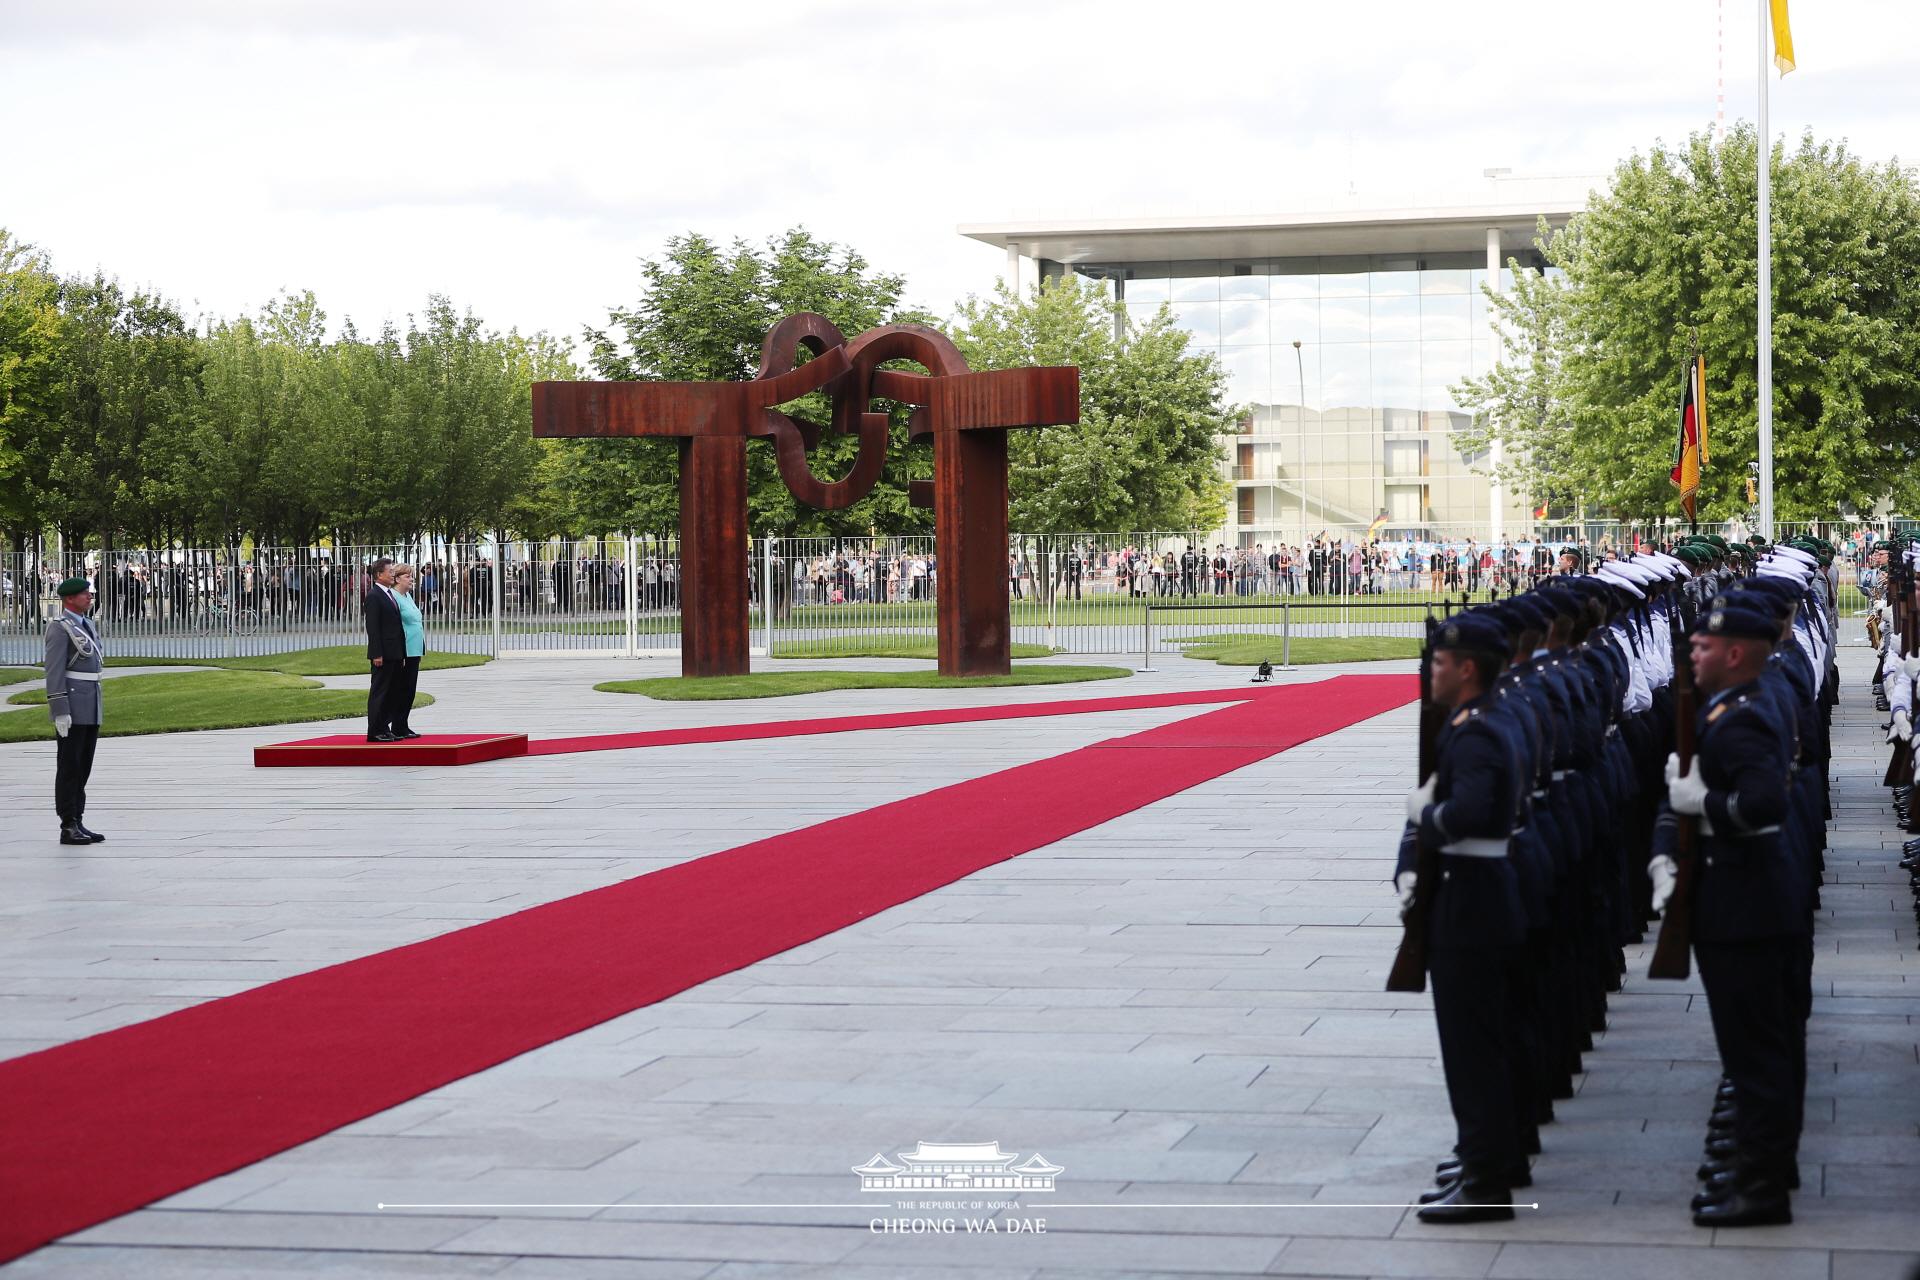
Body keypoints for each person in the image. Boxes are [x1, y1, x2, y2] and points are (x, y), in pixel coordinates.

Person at [1651, 601, 1804, 1227]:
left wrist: (1703, 801)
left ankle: (1762, 1188)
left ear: (1736, 653)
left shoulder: (1746, 716)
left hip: (1746, 901)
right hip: (1736, 894)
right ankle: (1757, 1165)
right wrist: (1668, 846)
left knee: (1755, 1052)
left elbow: (1763, 803)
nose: (1694, 652)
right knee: (1751, 1048)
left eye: (1706, 646)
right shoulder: (1730, 706)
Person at [1397, 610, 1529, 1222]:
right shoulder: (1478, 719)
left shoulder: (1476, 730)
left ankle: (1486, 1178)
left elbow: (1473, 811)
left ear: (1468, 669)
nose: (1432, 671)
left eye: (1441, 662)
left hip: (1471, 903)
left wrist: (1428, 815)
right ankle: (1484, 1161)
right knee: (1482, 1044)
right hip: (1475, 896)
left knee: (1473, 1048)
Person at [45, 576, 106, 844]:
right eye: (84, 594)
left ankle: (78, 819)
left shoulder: (86, 624)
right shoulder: (59, 628)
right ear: (69, 599)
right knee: (69, 767)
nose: (89, 597)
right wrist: (59, 709)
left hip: (90, 704)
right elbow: (54, 670)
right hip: (71, 704)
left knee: (83, 767)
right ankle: (67, 823)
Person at [362, 557, 406, 743]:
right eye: (390, 572)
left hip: (395, 652)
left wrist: (401, 653)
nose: (393, 574)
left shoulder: (388, 594)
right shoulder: (374, 596)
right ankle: (374, 730)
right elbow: (373, 628)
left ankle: (384, 726)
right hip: (383, 654)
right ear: (379, 574)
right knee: (380, 691)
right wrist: (376, 654)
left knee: (392, 692)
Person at [388, 564, 427, 739]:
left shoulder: (407, 596)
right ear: (397, 579)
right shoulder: (393, 597)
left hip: (415, 649)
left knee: (410, 689)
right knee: (402, 689)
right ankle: (397, 725)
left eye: (411, 576)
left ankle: (402, 724)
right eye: (407, 576)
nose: (411, 579)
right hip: (404, 651)